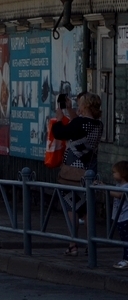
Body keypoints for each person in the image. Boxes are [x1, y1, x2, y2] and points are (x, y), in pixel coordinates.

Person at [51, 91, 103, 256]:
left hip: (72, 173)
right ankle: (90, 244)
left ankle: (73, 244)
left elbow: (60, 133)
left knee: (71, 207)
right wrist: (70, 110)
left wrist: (59, 118)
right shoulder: (97, 124)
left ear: (85, 105)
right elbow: (78, 125)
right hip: (89, 171)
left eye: (80, 103)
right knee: (87, 209)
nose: (78, 105)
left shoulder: (80, 124)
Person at [111, 161, 128, 270]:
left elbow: (119, 195)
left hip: (126, 217)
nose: (112, 174)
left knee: (126, 239)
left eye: (115, 172)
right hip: (120, 217)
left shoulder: (126, 186)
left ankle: (126, 259)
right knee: (123, 239)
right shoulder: (118, 185)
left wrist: (105, 188)